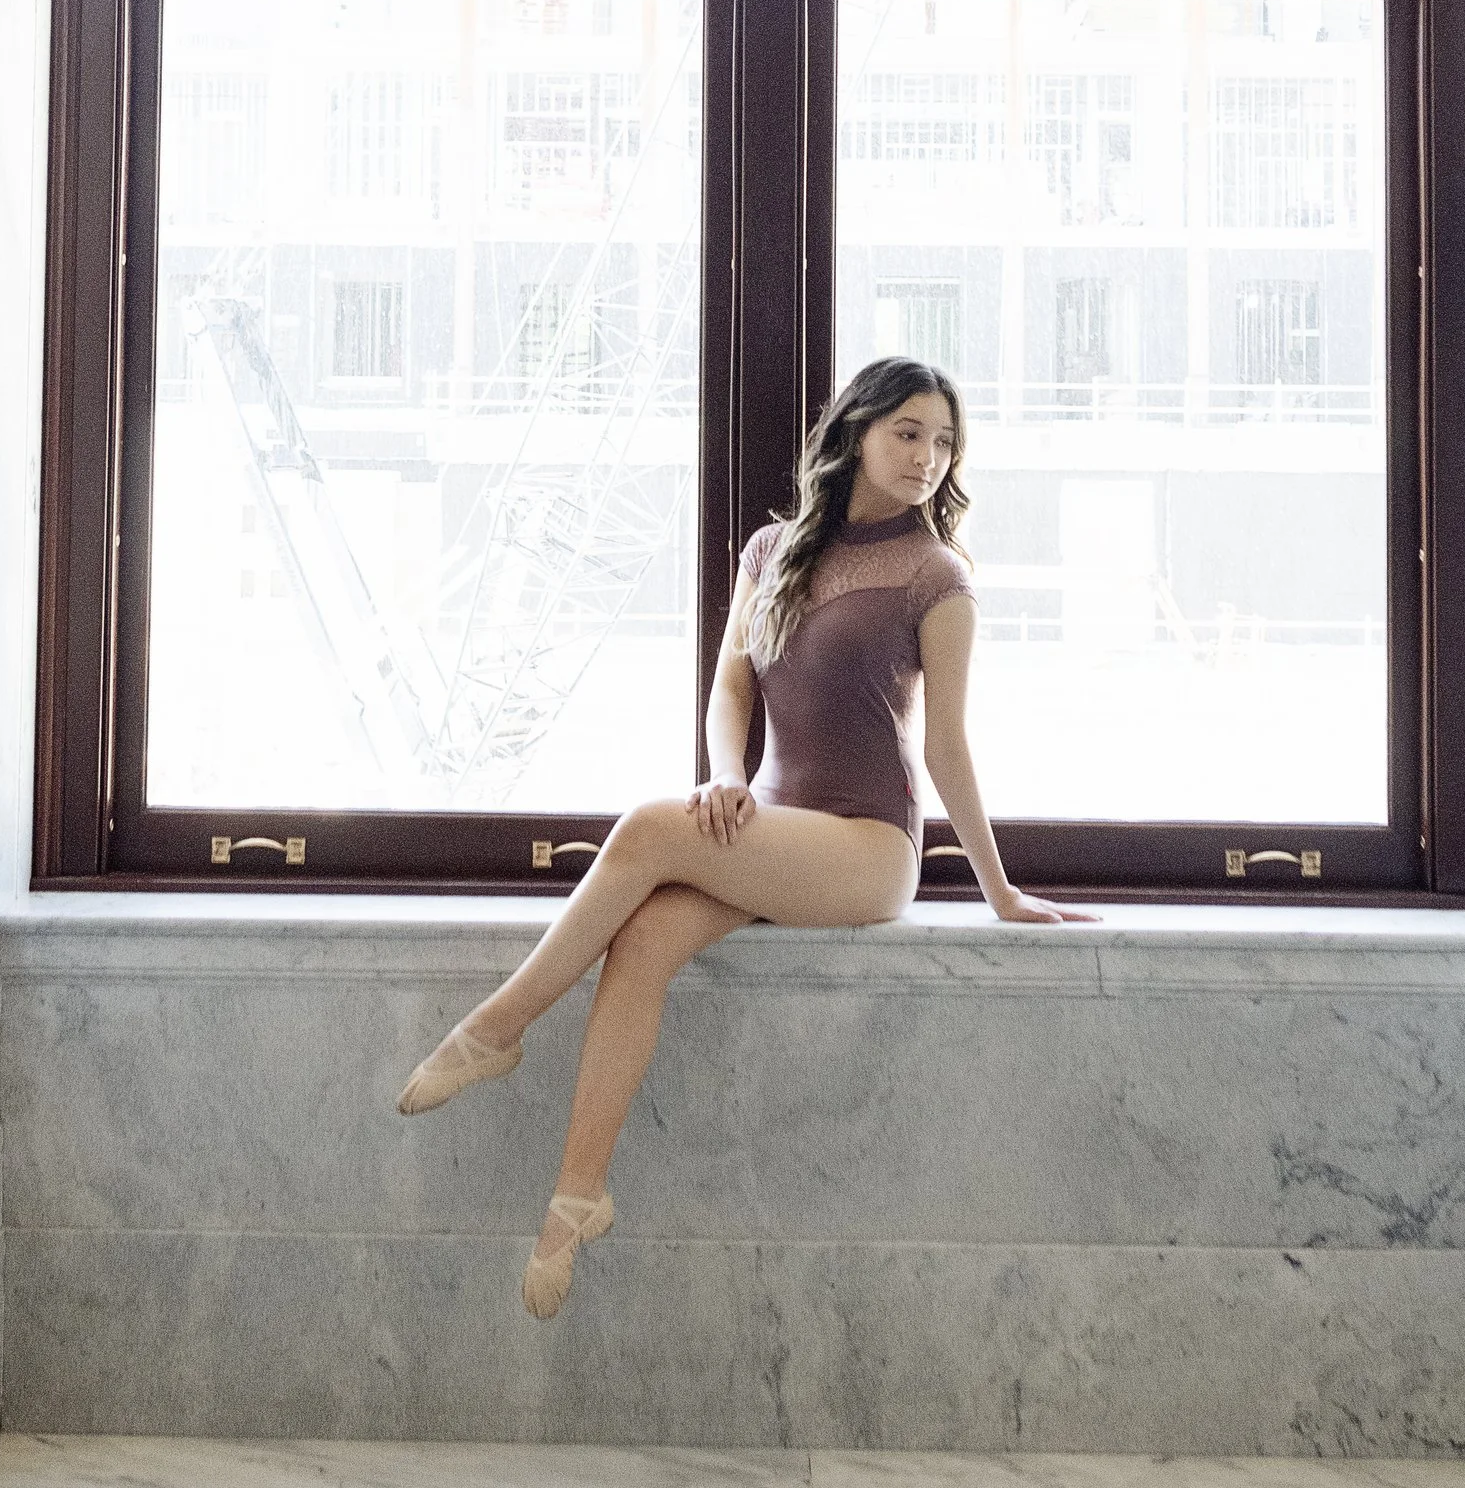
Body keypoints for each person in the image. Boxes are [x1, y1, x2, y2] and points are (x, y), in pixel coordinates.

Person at [396, 354, 1090, 1316]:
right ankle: (576, 1198)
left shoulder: (938, 578)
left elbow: (945, 745)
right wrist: (727, 777)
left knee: (646, 829)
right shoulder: (771, 552)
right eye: (908, 432)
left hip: (864, 846)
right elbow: (732, 687)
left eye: (943, 441)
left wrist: (998, 889)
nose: (928, 456)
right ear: (855, 431)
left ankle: (496, 1026)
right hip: (766, 821)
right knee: (640, 940)